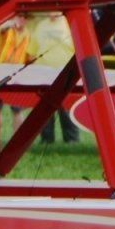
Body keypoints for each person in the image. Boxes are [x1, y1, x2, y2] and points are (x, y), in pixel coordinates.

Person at [27, 10, 80, 144]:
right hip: (43, 74)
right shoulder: (40, 26)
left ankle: (71, 138)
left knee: (66, 107)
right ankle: (46, 138)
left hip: (65, 73)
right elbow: (32, 52)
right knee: (45, 107)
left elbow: (78, 50)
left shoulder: (69, 24)